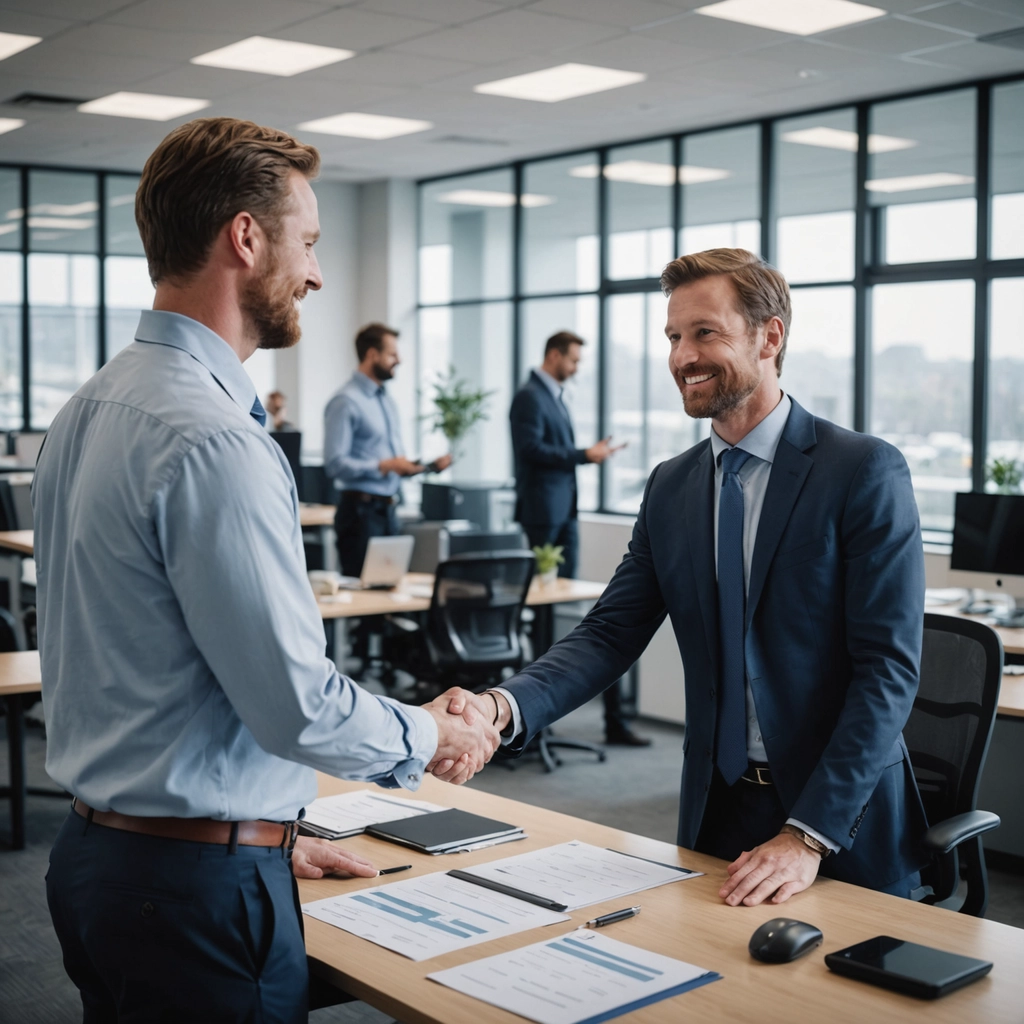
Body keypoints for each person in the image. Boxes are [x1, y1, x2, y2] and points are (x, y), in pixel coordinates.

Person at [35, 117, 497, 1023]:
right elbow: (295, 703)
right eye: (311, 242)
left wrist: (264, 836)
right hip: (187, 891)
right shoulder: (213, 440)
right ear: (245, 238)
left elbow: (138, 665)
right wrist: (428, 734)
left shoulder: (88, 409)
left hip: (105, 858)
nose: (318, 273)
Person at [444, 248, 928, 907]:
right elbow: (610, 632)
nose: (682, 357)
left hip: (840, 823)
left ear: (770, 336)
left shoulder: (862, 471)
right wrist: (501, 708)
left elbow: (888, 671)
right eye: (673, 337)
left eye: (705, 333)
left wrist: (807, 835)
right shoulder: (672, 486)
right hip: (716, 812)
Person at [509, 331, 649, 747]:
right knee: (542, 616)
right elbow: (529, 449)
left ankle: (603, 721)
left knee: (579, 615)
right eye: (573, 360)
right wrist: (583, 455)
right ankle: (531, 720)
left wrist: (584, 456)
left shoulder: (554, 396)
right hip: (541, 517)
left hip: (562, 513)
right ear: (553, 355)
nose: (576, 368)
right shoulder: (529, 396)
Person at [324, 323, 452, 578]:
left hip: (389, 511)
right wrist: (385, 466)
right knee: (366, 601)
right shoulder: (346, 401)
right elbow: (334, 463)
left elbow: (391, 462)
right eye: (393, 354)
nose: (400, 360)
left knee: (389, 595)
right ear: (372, 354)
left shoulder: (386, 400)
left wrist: (422, 467)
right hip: (359, 515)